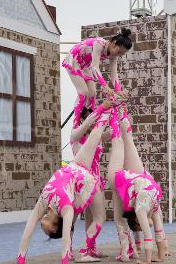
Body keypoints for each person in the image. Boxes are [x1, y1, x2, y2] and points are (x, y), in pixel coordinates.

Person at [16, 100, 113, 264]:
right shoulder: (66, 209)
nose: (40, 221)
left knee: (95, 136)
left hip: (73, 167)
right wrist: (64, 260)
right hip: (83, 174)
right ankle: (109, 109)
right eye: (44, 227)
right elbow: (66, 237)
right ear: (54, 228)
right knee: (94, 136)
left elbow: (28, 229)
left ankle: (108, 108)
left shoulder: (44, 201)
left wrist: (21, 257)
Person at [107, 104, 170, 263]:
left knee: (118, 142)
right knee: (126, 138)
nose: (144, 227)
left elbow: (150, 232)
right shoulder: (152, 206)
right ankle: (119, 106)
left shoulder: (141, 208)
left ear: (137, 219)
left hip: (118, 178)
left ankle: (116, 107)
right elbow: (159, 229)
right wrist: (162, 254)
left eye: (140, 226)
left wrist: (148, 261)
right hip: (137, 177)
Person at [62, 28, 132, 130]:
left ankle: (88, 119)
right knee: (83, 92)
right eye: (118, 51)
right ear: (114, 43)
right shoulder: (99, 43)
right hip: (75, 60)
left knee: (93, 93)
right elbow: (95, 67)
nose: (118, 55)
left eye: (121, 54)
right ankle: (76, 124)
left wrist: (118, 90)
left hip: (85, 65)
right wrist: (105, 86)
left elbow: (114, 73)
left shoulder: (113, 55)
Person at [70, 106, 111, 259]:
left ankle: (89, 247)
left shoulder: (97, 136)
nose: (95, 122)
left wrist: (118, 113)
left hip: (95, 180)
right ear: (82, 119)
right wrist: (87, 122)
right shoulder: (76, 136)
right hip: (80, 180)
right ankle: (68, 249)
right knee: (72, 217)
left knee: (93, 217)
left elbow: (113, 133)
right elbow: (78, 131)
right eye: (91, 118)